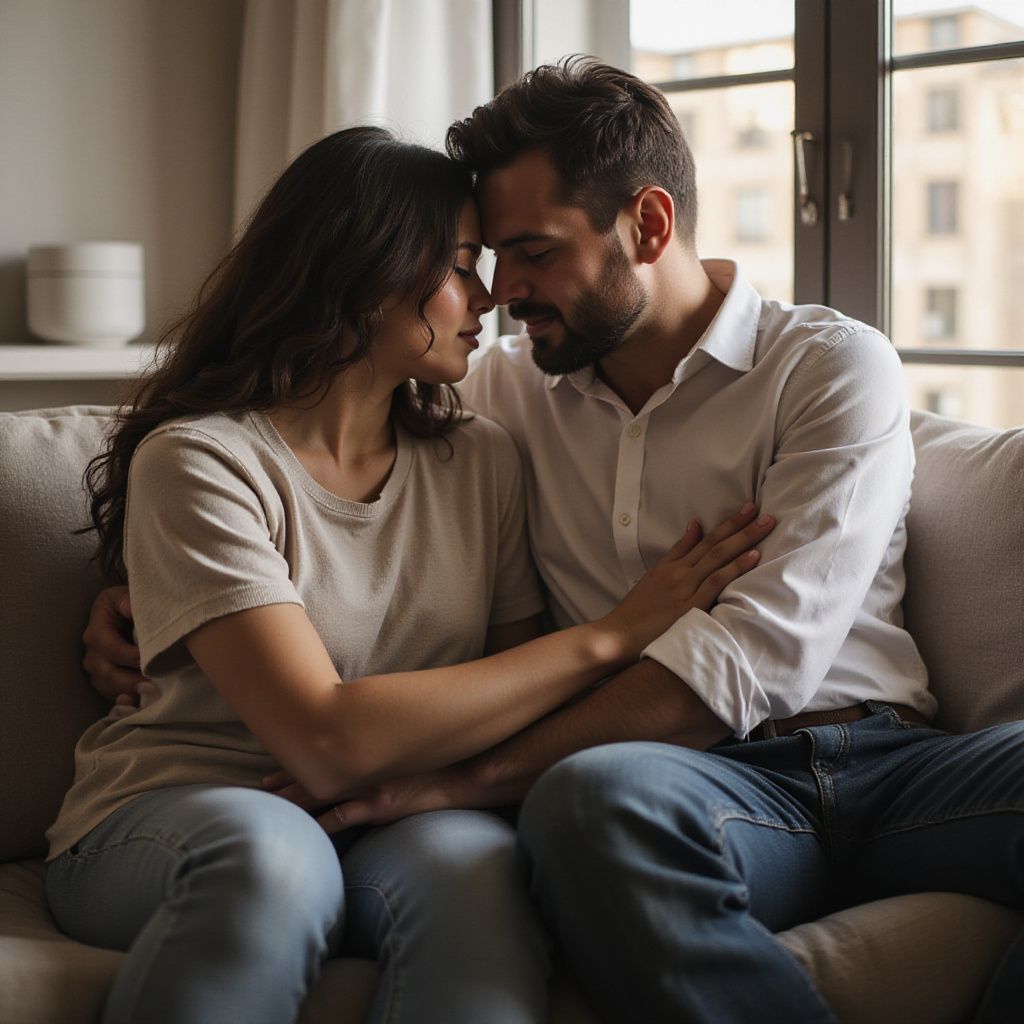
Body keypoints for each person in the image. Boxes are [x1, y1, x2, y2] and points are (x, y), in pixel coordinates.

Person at [82, 58, 1024, 1023]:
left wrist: (465, 782)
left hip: (890, 756)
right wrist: (133, 596)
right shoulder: (497, 397)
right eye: (481, 259)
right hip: (684, 785)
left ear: (649, 226)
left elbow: (758, 658)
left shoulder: (827, 367)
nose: (501, 292)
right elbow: (280, 482)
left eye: (531, 252)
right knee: (592, 804)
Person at [50, 124, 775, 1024]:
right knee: (274, 857)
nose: (489, 297)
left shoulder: (482, 461)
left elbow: (517, 692)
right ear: (364, 276)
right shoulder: (202, 462)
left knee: (478, 876)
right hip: (178, 810)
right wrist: (614, 634)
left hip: (397, 816)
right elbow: (323, 741)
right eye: (464, 263)